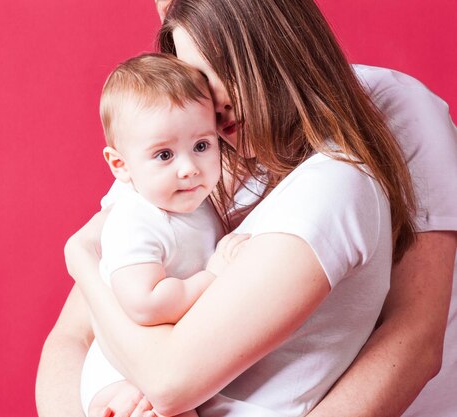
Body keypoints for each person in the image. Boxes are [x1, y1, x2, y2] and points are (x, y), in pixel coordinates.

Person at [36, 1, 457, 417]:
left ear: (269, 39)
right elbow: (74, 335)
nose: (214, 98)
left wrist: (83, 259)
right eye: (198, 75)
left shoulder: (374, 135)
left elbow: (415, 338)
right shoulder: (184, 149)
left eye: (224, 66)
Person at [80, 52, 224, 417]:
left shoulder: (196, 203)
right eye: (164, 155)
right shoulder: (135, 220)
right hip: (120, 370)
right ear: (121, 165)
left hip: (164, 362)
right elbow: (145, 303)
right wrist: (215, 276)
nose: (189, 168)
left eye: (202, 146)